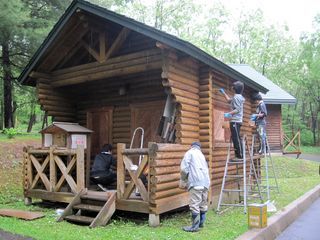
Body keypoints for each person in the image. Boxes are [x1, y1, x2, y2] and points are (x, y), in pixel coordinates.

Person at [180, 142, 210, 232]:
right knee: (203, 204)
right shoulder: (201, 155)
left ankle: (194, 227)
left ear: (191, 146)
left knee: (194, 204)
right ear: (199, 147)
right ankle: (201, 223)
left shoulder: (189, 153)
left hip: (196, 182)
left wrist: (184, 179)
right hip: (205, 183)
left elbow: (184, 169)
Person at [219, 81, 245, 159]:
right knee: (236, 137)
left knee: (236, 138)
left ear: (235, 88)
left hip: (236, 121)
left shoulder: (237, 97)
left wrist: (229, 113)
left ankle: (239, 156)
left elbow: (237, 109)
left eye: (233, 86)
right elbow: (229, 100)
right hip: (236, 121)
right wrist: (223, 93)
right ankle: (240, 154)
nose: (231, 87)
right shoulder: (237, 97)